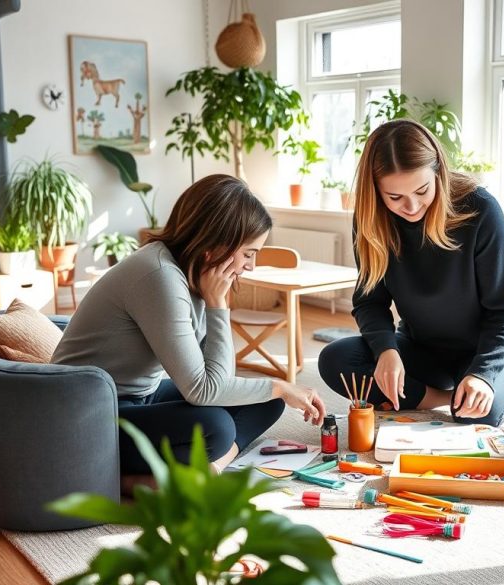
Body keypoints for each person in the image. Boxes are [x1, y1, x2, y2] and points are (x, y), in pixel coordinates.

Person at [53, 174, 326, 489]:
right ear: (215, 244)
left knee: (268, 399)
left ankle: (210, 469)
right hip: (90, 415)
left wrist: (278, 388)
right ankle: (124, 483)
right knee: (216, 427)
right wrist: (219, 305)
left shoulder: (191, 271)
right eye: (249, 253)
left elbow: (218, 377)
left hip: (138, 396)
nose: (250, 265)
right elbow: (204, 390)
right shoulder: (159, 276)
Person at [318, 119, 504, 426]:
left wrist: (482, 375)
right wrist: (386, 351)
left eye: (422, 190)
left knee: (476, 417)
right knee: (335, 359)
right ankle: (442, 398)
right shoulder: (370, 221)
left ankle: (456, 393)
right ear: (376, 190)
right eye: (395, 198)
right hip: (421, 349)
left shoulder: (480, 209)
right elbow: (369, 301)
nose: (412, 206)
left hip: (485, 349)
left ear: (438, 173)